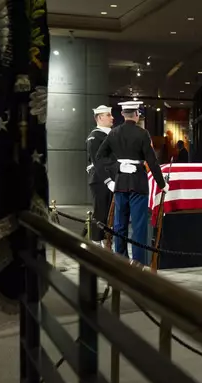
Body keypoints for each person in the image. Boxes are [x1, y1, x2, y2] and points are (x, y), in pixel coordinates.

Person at [97, 101, 168, 268]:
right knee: (139, 224)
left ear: (122, 114)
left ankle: (120, 259)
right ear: (136, 115)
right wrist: (162, 183)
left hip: (121, 182)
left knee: (120, 224)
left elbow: (100, 156)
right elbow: (152, 161)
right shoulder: (143, 134)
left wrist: (117, 167)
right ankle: (137, 261)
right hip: (138, 183)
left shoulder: (113, 133)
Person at [86, 105, 114, 248]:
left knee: (110, 213)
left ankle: (106, 242)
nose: (112, 117)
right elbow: (98, 162)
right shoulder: (95, 137)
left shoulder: (110, 135)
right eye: (108, 115)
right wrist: (108, 180)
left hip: (110, 179)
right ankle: (96, 244)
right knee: (100, 212)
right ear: (100, 118)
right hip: (100, 180)